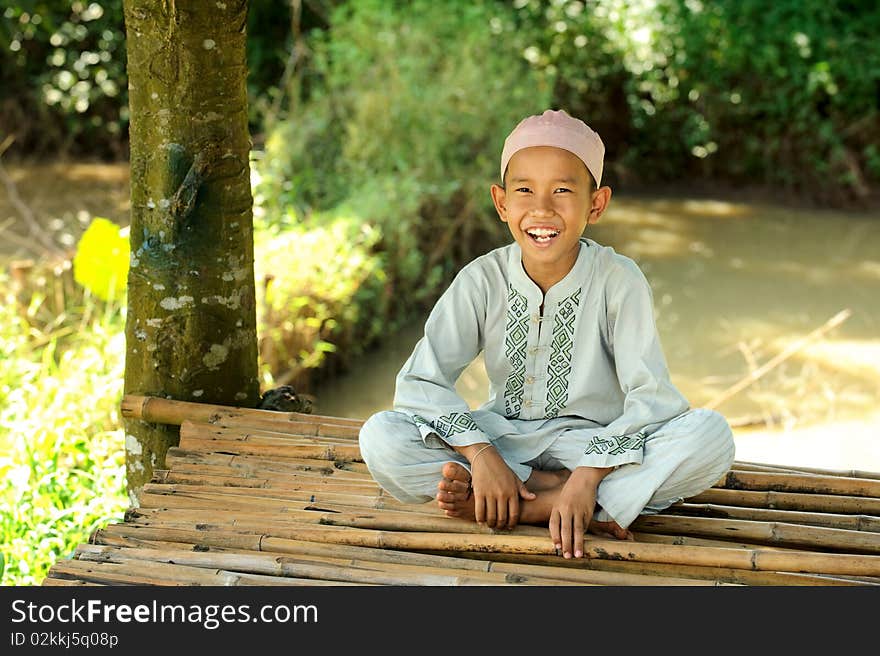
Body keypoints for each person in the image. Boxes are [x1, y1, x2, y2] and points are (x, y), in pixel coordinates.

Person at [358, 109, 735, 559]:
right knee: (382, 436)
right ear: (501, 203)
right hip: (502, 439)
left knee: (711, 436)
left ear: (596, 204)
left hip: (592, 444)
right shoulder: (481, 279)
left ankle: (532, 505)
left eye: (562, 190)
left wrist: (587, 475)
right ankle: (570, 501)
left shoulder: (620, 279)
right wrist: (482, 457)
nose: (542, 208)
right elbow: (421, 383)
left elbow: (651, 398)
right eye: (524, 190)